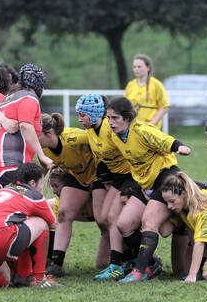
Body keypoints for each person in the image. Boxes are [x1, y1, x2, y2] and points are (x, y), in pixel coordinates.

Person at [105, 96, 191, 283]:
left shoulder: (142, 130)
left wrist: (179, 146)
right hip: (145, 184)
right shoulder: (115, 135)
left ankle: (139, 271)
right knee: (124, 224)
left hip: (166, 178)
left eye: (115, 118)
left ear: (127, 118)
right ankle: (151, 262)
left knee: (149, 222)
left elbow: (163, 139)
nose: (110, 122)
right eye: (108, 118)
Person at [75, 94, 136, 281]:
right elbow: (101, 159)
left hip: (130, 176)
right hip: (116, 178)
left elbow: (132, 149)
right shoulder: (91, 132)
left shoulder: (111, 130)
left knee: (111, 217)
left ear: (93, 114)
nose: (79, 119)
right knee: (102, 218)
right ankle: (124, 258)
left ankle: (121, 262)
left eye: (82, 115)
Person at [37, 113, 103, 276]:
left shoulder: (77, 138)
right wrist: (36, 189)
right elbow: (44, 169)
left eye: (36, 134)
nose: (32, 138)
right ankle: (56, 264)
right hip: (77, 177)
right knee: (64, 213)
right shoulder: (43, 148)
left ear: (50, 133)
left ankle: (131, 257)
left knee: (105, 220)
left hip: (100, 176)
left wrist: (102, 176)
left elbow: (104, 146)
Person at [0, 63, 52, 187]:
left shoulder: (8, 99)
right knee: (31, 199)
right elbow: (25, 125)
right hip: (8, 164)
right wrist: (42, 156)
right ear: (38, 85)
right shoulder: (29, 97)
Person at [161, 171, 207, 282]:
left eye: (172, 201)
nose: (169, 206)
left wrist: (192, 275)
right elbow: (165, 232)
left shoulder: (204, 210)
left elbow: (200, 243)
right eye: (167, 203)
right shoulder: (184, 207)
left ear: (184, 194)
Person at [47, 166, 110, 271]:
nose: (54, 191)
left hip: (105, 226)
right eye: (52, 186)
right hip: (90, 218)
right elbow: (56, 228)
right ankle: (52, 263)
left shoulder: (97, 196)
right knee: (102, 265)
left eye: (56, 186)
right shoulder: (61, 204)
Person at [124, 54, 169, 129]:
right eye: (134, 67)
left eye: (139, 66)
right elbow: (125, 106)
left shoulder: (156, 84)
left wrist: (152, 123)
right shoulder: (130, 85)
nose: (136, 69)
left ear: (148, 68)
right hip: (133, 127)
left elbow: (164, 107)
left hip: (151, 128)